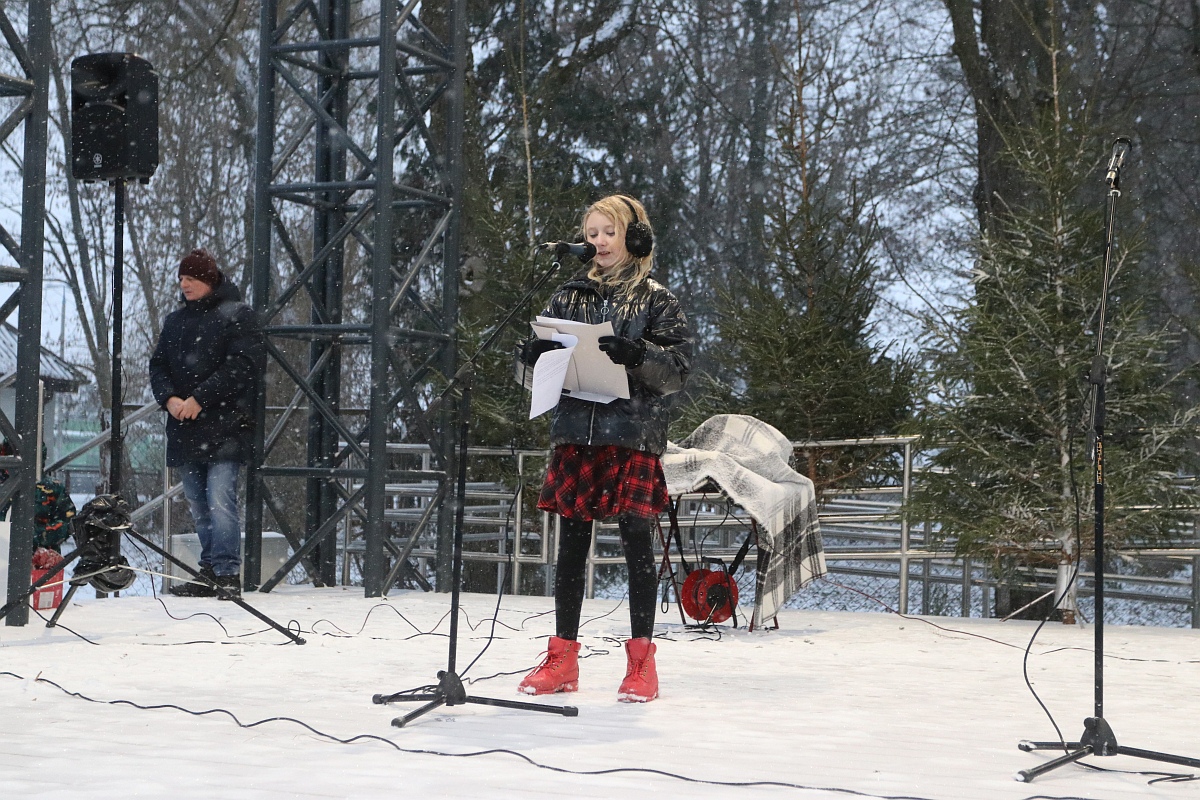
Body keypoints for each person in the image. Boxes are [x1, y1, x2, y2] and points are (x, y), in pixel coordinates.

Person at [515, 194, 692, 702]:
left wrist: (639, 355)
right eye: (591, 233)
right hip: (577, 431)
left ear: (634, 237)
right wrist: (531, 359)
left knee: (638, 543)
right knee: (571, 546)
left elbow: (677, 372)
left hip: (632, 434)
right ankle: (562, 659)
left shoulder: (658, 299)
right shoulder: (568, 296)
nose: (598, 242)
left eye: (608, 232)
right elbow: (527, 376)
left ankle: (641, 665)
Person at [149, 248, 264, 599]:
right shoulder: (175, 321)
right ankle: (211, 568)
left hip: (225, 425)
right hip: (186, 426)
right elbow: (158, 366)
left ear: (209, 281)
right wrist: (169, 399)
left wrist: (199, 399)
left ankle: (227, 572)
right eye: (182, 279)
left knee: (219, 499)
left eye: (191, 279)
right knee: (199, 504)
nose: (184, 284)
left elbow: (243, 366)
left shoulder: (238, 316)